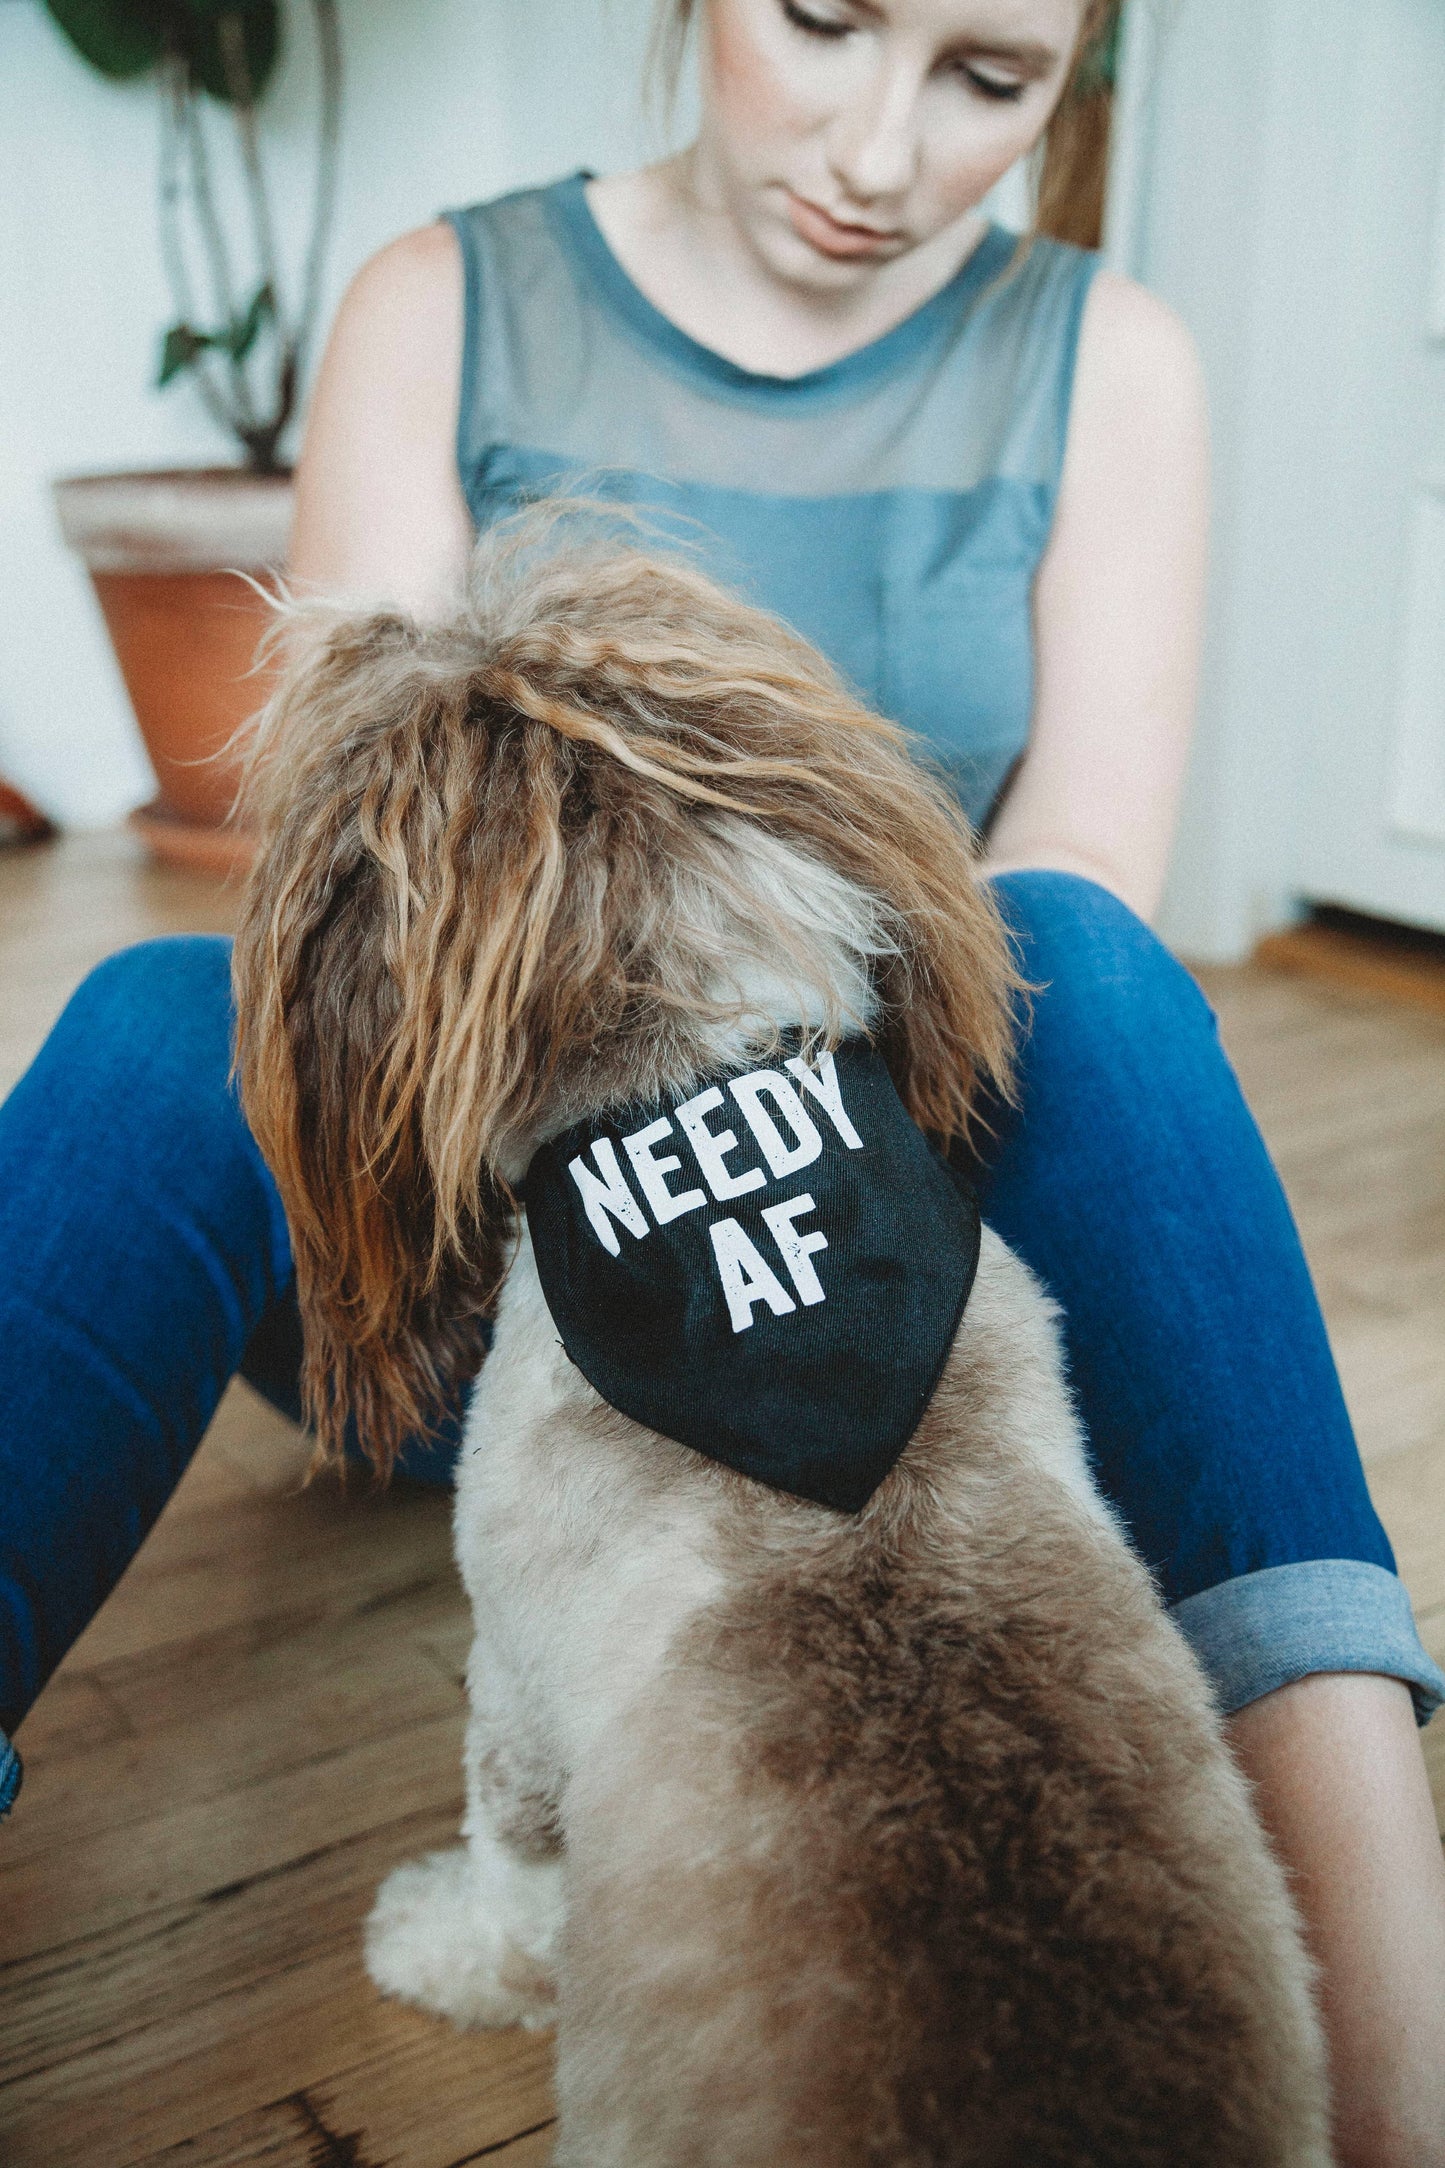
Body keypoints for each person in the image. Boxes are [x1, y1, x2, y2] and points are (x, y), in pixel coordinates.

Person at [2, 1, 1442, 2157]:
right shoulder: (444, 302)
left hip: (886, 1250)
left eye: (993, 78)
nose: (883, 143)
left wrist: (749, 1017)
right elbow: (358, 873)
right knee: (147, 1027)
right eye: (829, 19)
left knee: (1093, 967)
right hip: (490, 1289)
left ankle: (1401, 2060)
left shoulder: (1107, 359)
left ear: (1077, 83)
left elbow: (1054, 904)